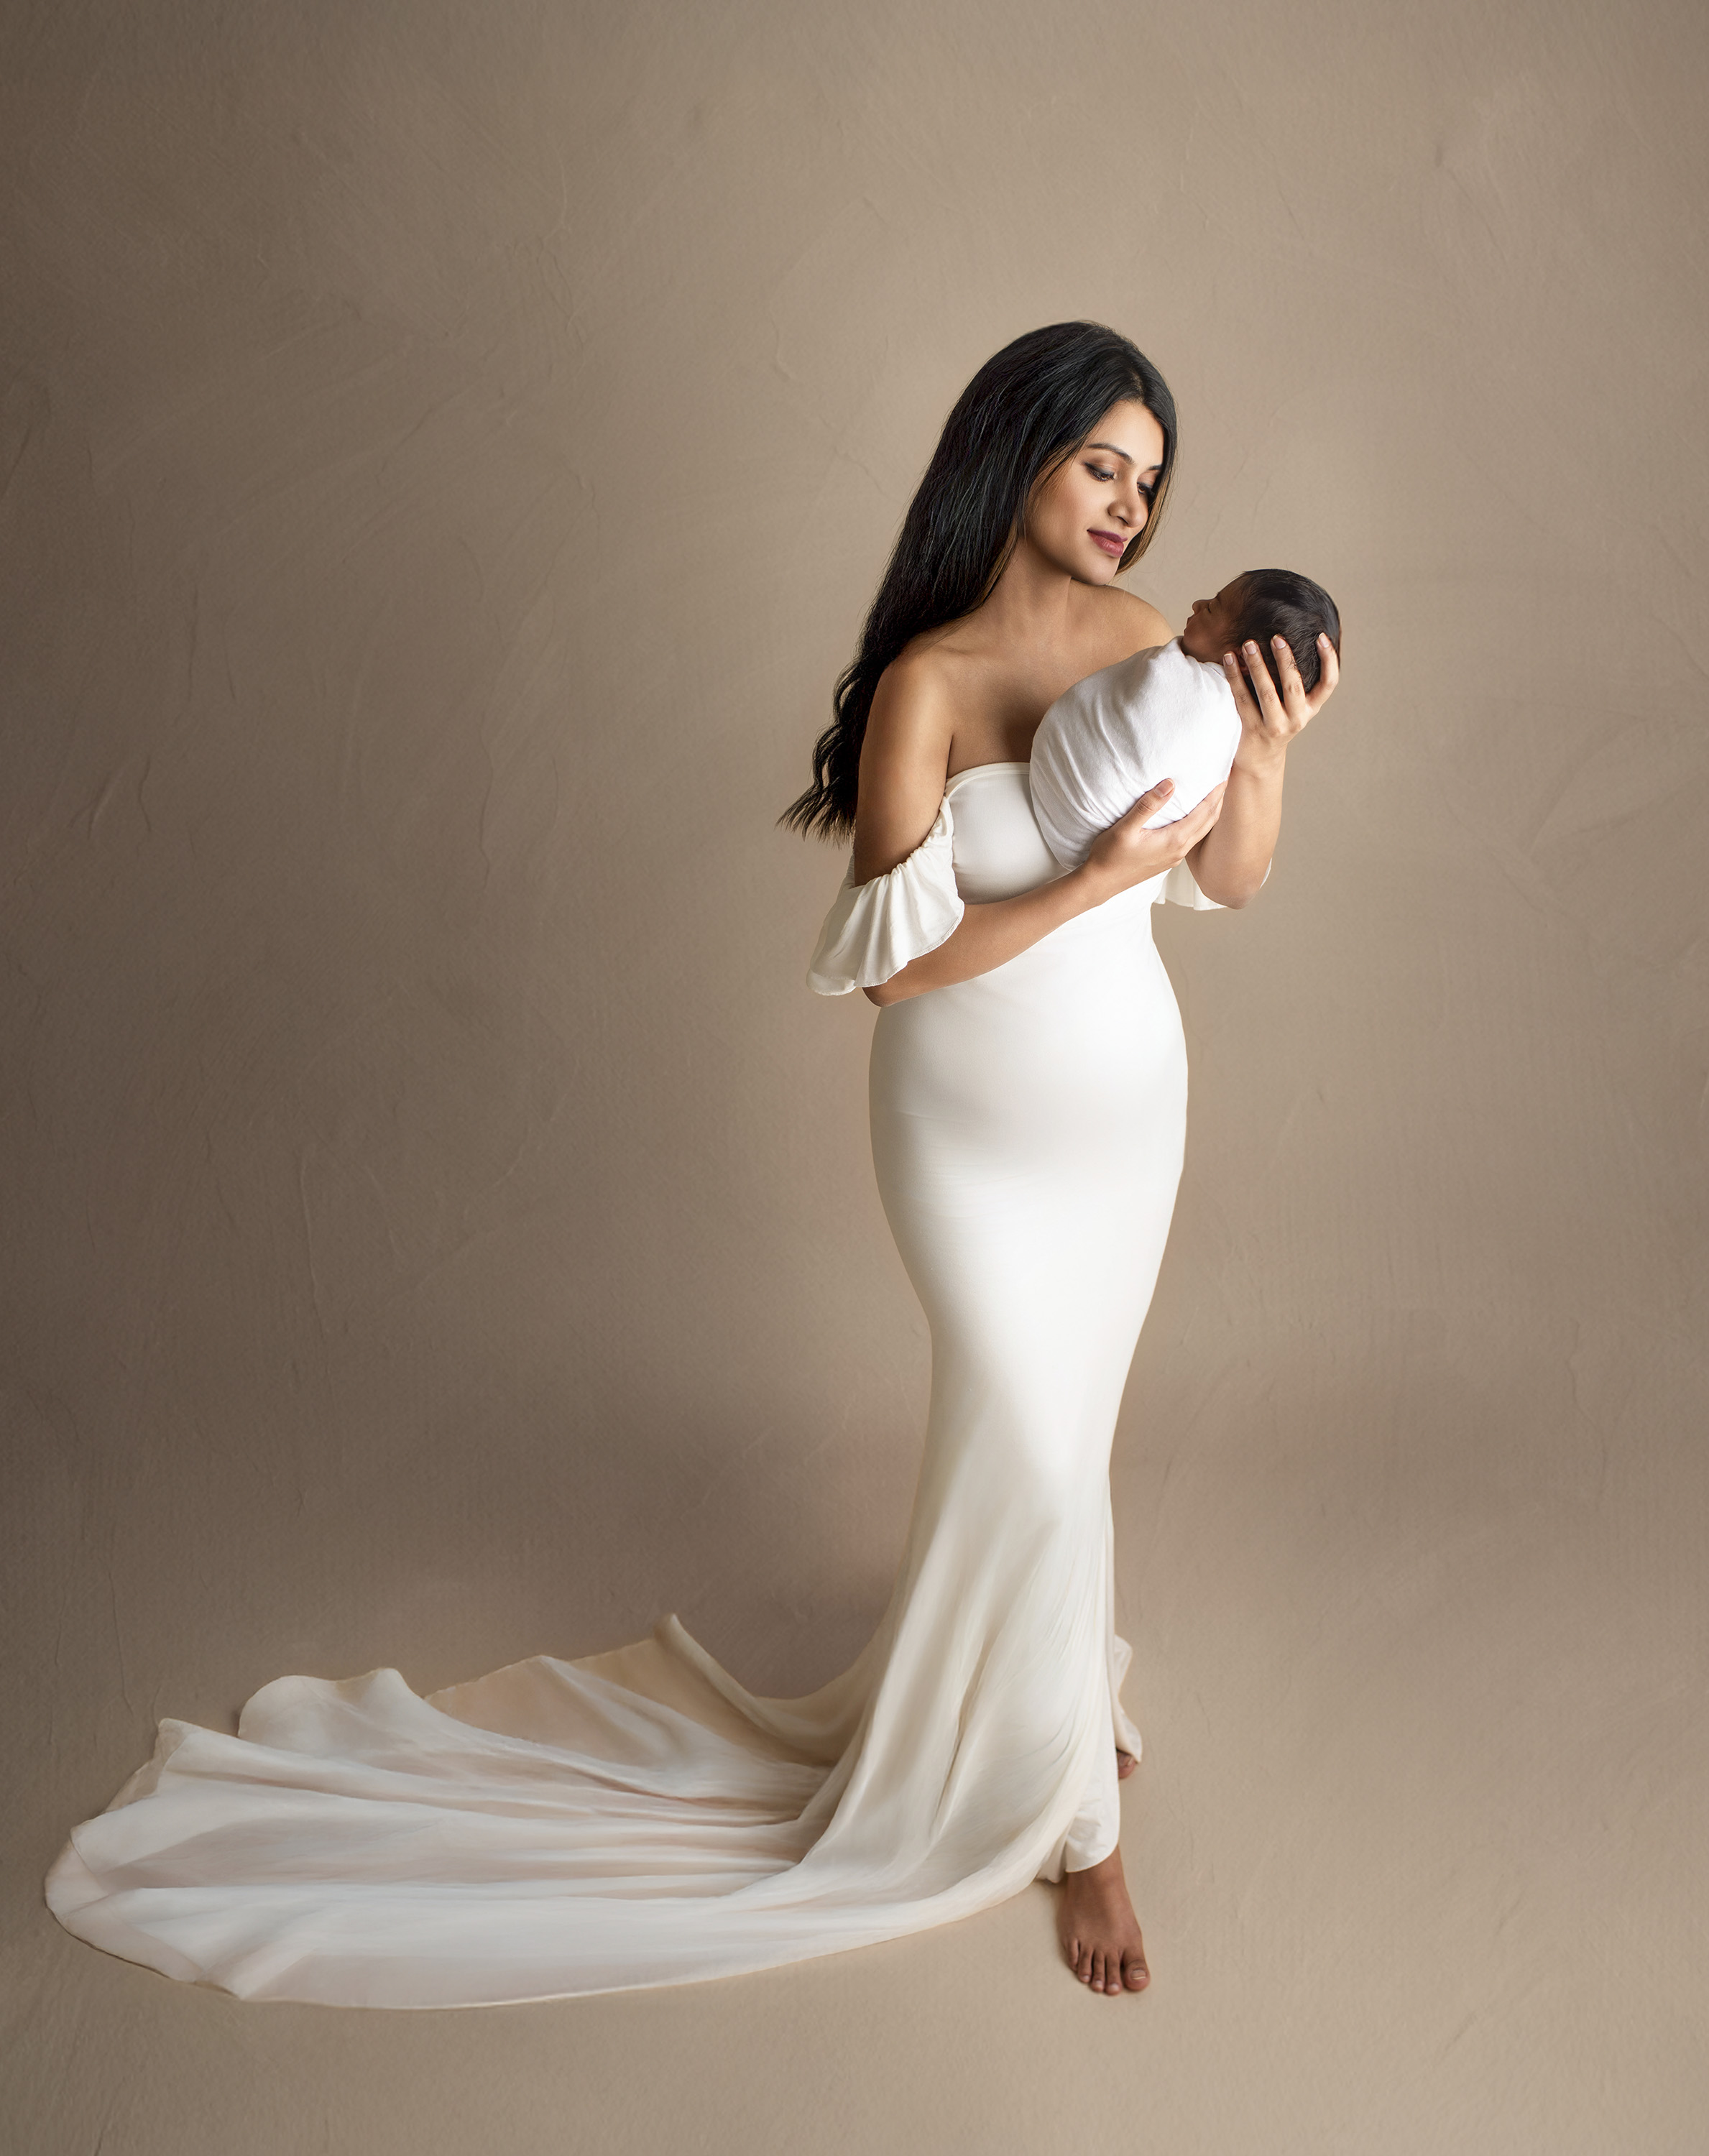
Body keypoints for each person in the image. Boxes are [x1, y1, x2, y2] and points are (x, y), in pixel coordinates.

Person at [45, 321, 1338, 2009]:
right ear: (1012, 452)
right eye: (1101, 462)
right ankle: (1076, 1826)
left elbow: (1225, 882)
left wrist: (1269, 752)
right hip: (965, 1120)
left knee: (1061, 1433)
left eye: (1148, 481)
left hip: (1120, 1105)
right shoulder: (925, 686)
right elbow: (893, 966)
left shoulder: (1153, 642)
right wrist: (1091, 880)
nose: (1127, 505)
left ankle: (1049, 1708)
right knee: (1024, 1415)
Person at [1022, 570, 1342, 880]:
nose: (1197, 605)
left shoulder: (1195, 692)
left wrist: (1269, 754)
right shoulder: (1215, 725)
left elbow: (1232, 889)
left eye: (1213, 606)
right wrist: (1096, 877)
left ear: (1244, 660)